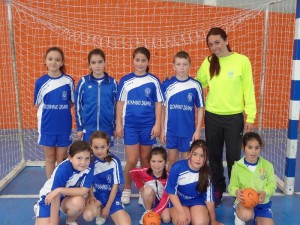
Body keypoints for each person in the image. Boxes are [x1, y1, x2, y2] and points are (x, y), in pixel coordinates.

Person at [196, 27, 257, 206]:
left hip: (234, 118)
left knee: (233, 157)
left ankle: (237, 192)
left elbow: (248, 90)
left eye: (217, 42)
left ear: (226, 40)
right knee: (213, 156)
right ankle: (218, 189)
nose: (214, 47)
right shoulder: (207, 62)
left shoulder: (242, 61)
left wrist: (251, 116)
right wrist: (177, 80)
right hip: (213, 116)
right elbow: (197, 84)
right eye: (210, 44)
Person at [115, 47, 163, 205]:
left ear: (148, 61)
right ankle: (127, 189)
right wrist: (119, 124)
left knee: (145, 159)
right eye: (137, 60)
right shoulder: (125, 80)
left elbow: (158, 104)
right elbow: (120, 104)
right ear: (133, 60)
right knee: (131, 159)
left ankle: (145, 191)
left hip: (148, 127)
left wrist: (157, 124)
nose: (140, 63)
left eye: (143, 60)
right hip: (130, 126)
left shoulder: (154, 81)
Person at [34, 46, 75, 179]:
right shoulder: (41, 82)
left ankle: (61, 186)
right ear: (45, 61)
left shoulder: (68, 81)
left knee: (62, 158)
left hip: (63, 126)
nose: (53, 62)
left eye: (57, 60)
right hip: (47, 126)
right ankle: (50, 188)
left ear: (62, 62)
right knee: (50, 158)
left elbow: (71, 102)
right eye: (50, 59)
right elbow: (38, 104)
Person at [161, 50, 204, 170]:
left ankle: (185, 187)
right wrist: (162, 129)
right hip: (171, 130)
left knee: (187, 160)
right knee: (172, 160)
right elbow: (163, 108)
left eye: (185, 64)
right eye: (178, 64)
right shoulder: (167, 85)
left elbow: (200, 108)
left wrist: (197, 130)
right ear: (173, 66)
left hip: (188, 130)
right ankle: (171, 187)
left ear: (190, 66)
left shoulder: (195, 85)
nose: (182, 68)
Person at [34, 140, 94, 225]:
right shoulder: (63, 170)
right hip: (49, 198)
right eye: (79, 158)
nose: (83, 162)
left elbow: (83, 190)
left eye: (87, 158)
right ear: (70, 158)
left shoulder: (90, 166)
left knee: (79, 202)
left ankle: (70, 221)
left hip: (65, 196)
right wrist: (53, 223)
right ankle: (38, 207)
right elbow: (55, 196)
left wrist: (59, 190)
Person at [165, 139, 224, 225]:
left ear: (206, 158)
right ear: (189, 154)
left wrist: (213, 220)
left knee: (201, 223)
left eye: (202, 156)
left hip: (197, 200)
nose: (198, 159)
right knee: (183, 222)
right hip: (179, 201)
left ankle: (198, 214)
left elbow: (209, 200)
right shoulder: (177, 167)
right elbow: (171, 193)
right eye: (195, 154)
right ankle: (178, 212)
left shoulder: (207, 175)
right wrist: (181, 212)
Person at [83, 131, 131, 225]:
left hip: (112, 198)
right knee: (87, 216)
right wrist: (91, 195)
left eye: (102, 147)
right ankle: (99, 211)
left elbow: (115, 187)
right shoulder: (89, 161)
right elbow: (88, 182)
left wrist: (108, 207)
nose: (99, 151)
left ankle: (119, 210)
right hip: (97, 197)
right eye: (96, 147)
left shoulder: (114, 162)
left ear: (108, 146)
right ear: (91, 146)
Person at [228, 132, 276, 225]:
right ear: (244, 147)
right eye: (250, 147)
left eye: (256, 148)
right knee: (245, 215)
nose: (253, 151)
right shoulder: (237, 167)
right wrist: (236, 192)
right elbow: (232, 186)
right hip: (244, 203)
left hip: (262, 205)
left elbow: (272, 184)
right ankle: (239, 217)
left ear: (260, 148)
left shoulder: (267, 166)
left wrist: (265, 192)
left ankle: (256, 216)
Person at [75, 48, 117, 145]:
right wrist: (80, 128)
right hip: (89, 128)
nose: (97, 66)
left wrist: (115, 127)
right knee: (89, 156)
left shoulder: (112, 83)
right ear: (89, 65)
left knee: (105, 156)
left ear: (105, 63)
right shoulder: (84, 82)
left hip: (107, 128)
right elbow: (78, 106)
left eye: (100, 62)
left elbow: (116, 106)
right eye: (93, 63)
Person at [130, 146, 171, 224]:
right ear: (149, 161)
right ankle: (148, 211)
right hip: (150, 196)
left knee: (166, 219)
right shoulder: (144, 171)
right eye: (153, 161)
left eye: (160, 161)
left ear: (165, 162)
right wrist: (141, 187)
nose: (156, 165)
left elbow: (166, 198)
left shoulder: (168, 177)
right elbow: (132, 172)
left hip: (163, 201)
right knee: (148, 190)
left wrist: (155, 213)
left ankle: (153, 211)